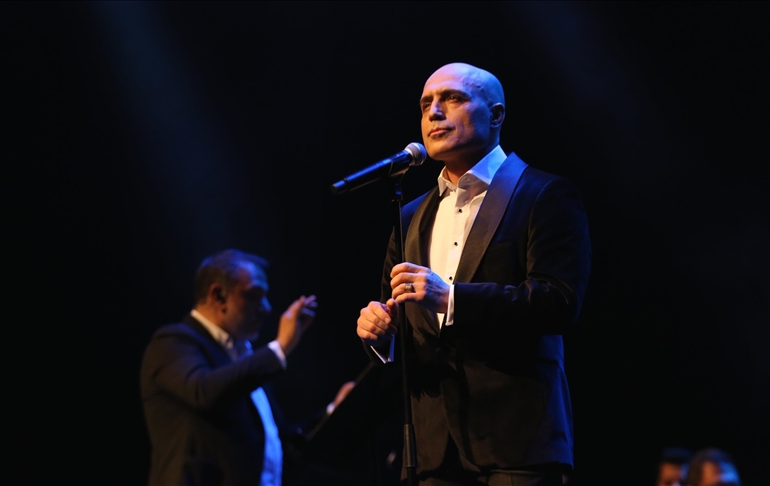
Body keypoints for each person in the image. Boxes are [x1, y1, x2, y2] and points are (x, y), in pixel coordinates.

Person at [356, 62, 592, 485]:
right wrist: (380, 334)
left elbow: (558, 302)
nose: (434, 112)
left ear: (495, 114)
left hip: (517, 444)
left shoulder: (543, 194)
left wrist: (451, 299)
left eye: (452, 98)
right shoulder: (409, 216)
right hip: (433, 453)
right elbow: (401, 322)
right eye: (426, 104)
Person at [140, 249, 351, 486]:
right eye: (254, 295)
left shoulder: (244, 358)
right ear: (219, 296)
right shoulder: (173, 342)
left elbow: (283, 443)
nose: (267, 307)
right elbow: (203, 391)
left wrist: (334, 410)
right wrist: (279, 347)